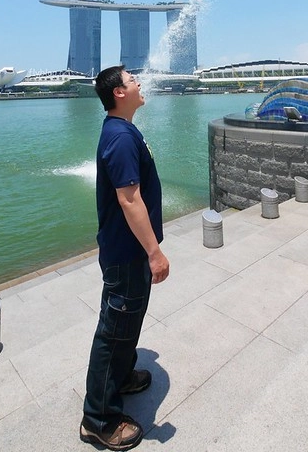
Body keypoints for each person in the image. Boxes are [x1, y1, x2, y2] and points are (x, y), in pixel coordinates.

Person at [80, 66, 170, 451]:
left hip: (128, 250)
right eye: (133, 80)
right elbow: (128, 199)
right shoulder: (118, 136)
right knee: (114, 330)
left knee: (126, 323)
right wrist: (154, 251)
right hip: (128, 252)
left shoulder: (124, 130)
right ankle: (98, 419)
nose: (139, 83)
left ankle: (120, 376)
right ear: (119, 93)